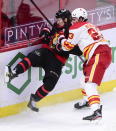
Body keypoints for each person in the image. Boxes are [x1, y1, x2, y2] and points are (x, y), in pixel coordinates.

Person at [4, 9, 82, 112]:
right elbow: (47, 29)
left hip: (58, 61)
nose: (57, 21)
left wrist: (68, 48)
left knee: (50, 84)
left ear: (66, 19)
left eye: (59, 19)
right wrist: (45, 32)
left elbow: (77, 50)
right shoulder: (56, 25)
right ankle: (12, 73)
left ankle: (34, 99)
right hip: (46, 52)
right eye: (57, 19)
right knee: (32, 57)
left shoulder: (72, 31)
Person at [56, 8, 112, 121]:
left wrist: (60, 38)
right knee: (83, 80)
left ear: (81, 18)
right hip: (100, 53)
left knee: (90, 84)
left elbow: (66, 47)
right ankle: (87, 101)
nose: (73, 21)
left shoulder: (76, 27)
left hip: (98, 54)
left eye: (75, 18)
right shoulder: (90, 25)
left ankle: (96, 111)